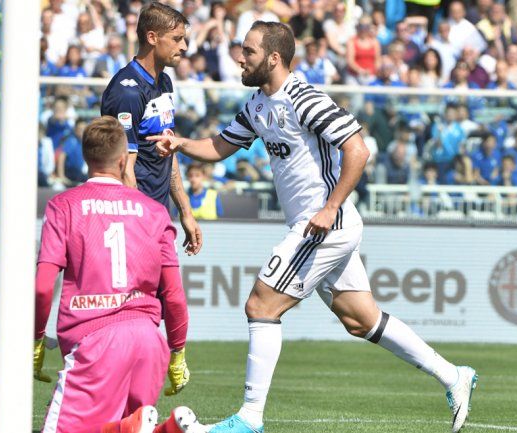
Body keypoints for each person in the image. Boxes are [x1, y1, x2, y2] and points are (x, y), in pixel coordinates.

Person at [149, 21, 478, 433]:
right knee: (361, 320)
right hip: (321, 224)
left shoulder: (305, 98)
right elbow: (219, 146)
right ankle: (454, 375)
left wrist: (330, 207)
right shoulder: (257, 105)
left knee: (260, 305)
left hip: (323, 225)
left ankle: (249, 419)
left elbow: (357, 148)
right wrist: (179, 142)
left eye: (248, 51)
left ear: (273, 58)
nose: (240, 57)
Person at [33, 116, 200, 433]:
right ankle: (163, 429)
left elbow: (43, 287)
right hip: (149, 342)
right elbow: (174, 295)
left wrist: (35, 339)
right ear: (124, 159)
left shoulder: (63, 205)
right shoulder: (154, 211)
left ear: (85, 158)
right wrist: (177, 352)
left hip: (95, 341)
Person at [100, 1, 201, 255]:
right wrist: (141, 226)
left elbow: (169, 149)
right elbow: (124, 169)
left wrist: (185, 212)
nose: (184, 47)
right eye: (177, 39)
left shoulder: (164, 81)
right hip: (133, 224)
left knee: (167, 295)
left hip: (158, 217)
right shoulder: (127, 91)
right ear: (152, 37)